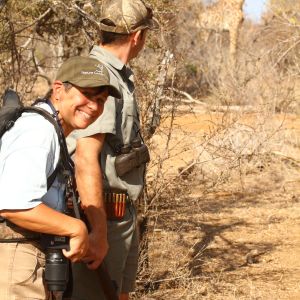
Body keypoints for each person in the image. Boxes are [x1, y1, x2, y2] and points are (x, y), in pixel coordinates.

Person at [0, 56, 120, 300]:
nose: (94, 107)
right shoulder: (37, 131)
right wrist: (75, 228)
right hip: (16, 259)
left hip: (30, 258)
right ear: (58, 91)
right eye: (87, 94)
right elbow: (14, 204)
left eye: (101, 100)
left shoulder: (52, 130)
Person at [66, 1, 158, 299]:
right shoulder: (99, 75)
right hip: (103, 215)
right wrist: (98, 233)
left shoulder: (118, 75)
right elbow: (85, 158)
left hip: (120, 212)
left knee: (119, 293)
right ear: (137, 36)